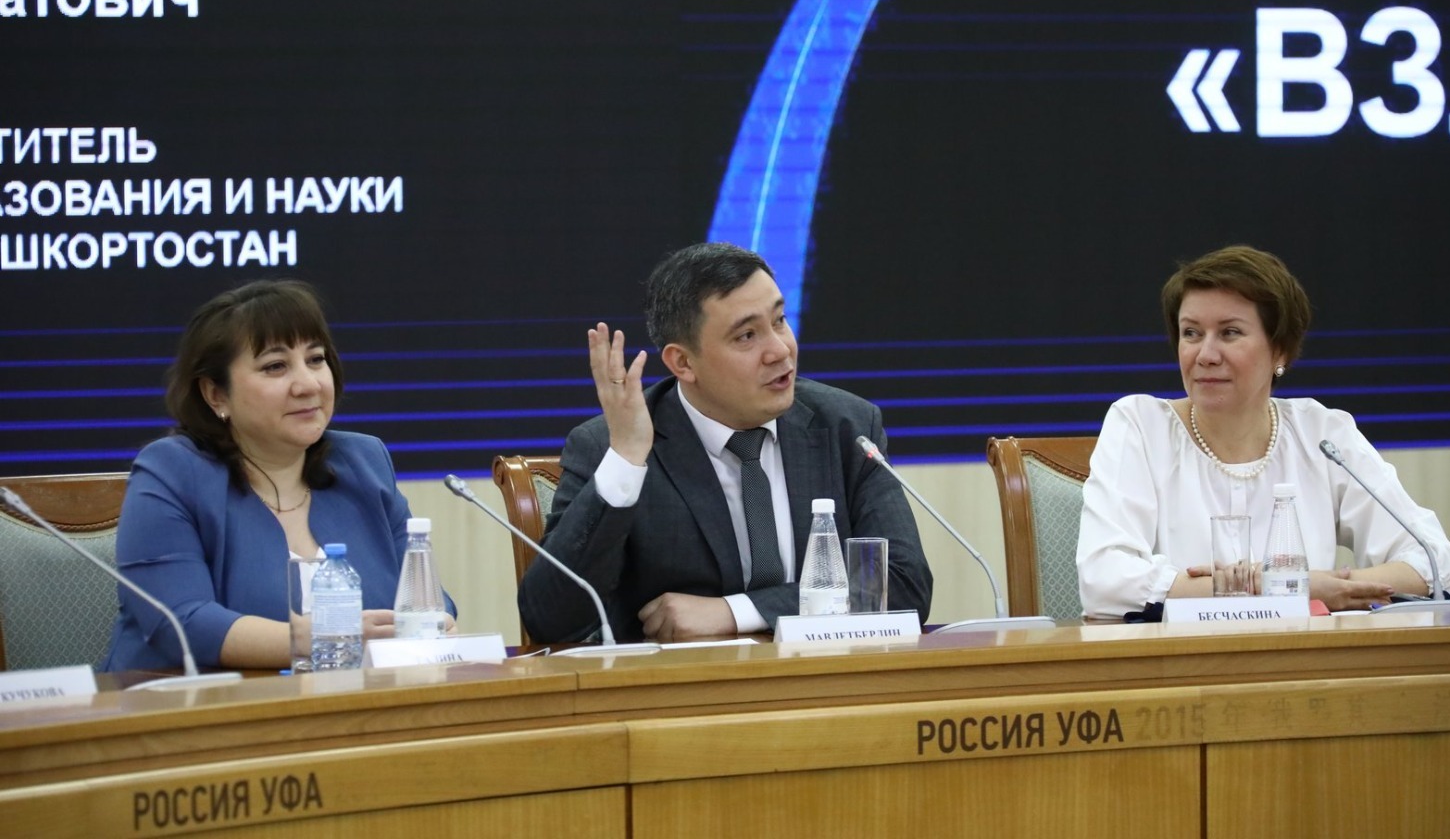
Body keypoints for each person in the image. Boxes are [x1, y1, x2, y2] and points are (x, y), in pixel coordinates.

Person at [518, 242, 933, 643]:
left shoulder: (847, 427)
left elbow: (903, 585)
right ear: (683, 362)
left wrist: (735, 612)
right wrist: (626, 460)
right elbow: (550, 622)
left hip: (824, 680)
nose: (780, 350)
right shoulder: (612, 444)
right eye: (746, 336)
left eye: (779, 320)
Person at [1076, 245, 1450, 618]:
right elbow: (1105, 581)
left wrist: (1329, 587)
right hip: (1176, 661)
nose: (1205, 355)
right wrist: (1284, 587)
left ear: (1280, 349)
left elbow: (1442, 566)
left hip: (1303, 658)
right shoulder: (1140, 426)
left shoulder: (1322, 433)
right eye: (1191, 333)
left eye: (1229, 333)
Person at [102, 280, 455, 672]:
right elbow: (181, 623)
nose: (308, 385)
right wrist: (321, 638)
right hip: (190, 704)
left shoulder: (363, 462)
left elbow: (428, 599)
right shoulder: (171, 471)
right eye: (275, 366)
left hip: (355, 702)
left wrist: (433, 621)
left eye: (316, 359)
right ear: (216, 394)